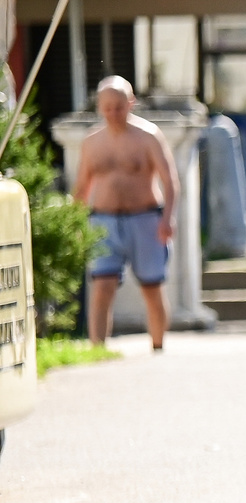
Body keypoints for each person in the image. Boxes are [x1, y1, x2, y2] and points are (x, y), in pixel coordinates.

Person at [71, 78, 180, 352]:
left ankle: (157, 347)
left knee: (151, 287)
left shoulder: (148, 136)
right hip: (103, 221)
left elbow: (170, 181)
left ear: (131, 103)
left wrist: (167, 218)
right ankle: (97, 350)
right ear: (100, 107)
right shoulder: (92, 142)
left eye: (119, 107)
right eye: (107, 108)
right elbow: (82, 187)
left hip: (145, 219)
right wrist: (75, 224)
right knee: (102, 286)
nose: (113, 114)